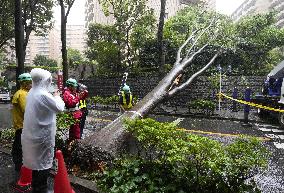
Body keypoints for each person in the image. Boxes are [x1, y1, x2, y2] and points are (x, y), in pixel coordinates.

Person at [21, 68, 65, 193]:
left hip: (34, 135)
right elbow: (59, 107)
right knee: (43, 165)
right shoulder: (42, 94)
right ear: (44, 81)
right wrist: (56, 96)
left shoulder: (32, 92)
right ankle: (41, 189)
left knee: (36, 164)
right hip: (43, 137)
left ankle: (36, 188)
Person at [11, 73, 32, 172]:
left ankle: (19, 165)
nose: (31, 84)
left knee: (18, 145)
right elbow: (27, 110)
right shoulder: (22, 94)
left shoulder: (23, 92)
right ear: (23, 83)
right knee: (19, 146)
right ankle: (19, 166)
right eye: (29, 82)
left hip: (21, 125)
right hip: (22, 125)